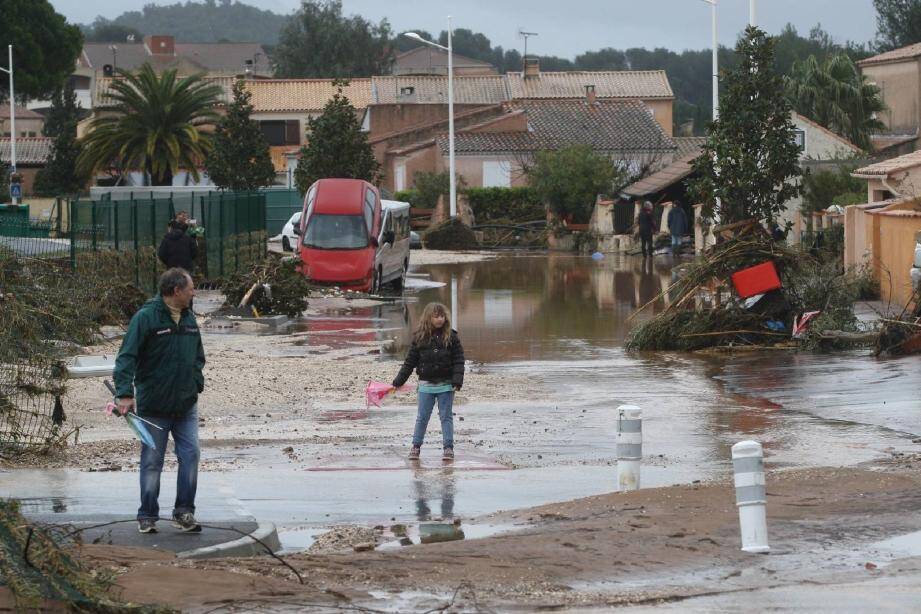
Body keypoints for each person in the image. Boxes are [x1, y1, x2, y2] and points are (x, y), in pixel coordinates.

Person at [113, 268, 206, 534]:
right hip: (154, 406)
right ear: (176, 291)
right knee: (152, 461)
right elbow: (126, 357)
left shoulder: (188, 318)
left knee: (191, 456)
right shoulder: (146, 318)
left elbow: (198, 355)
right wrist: (125, 393)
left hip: (186, 403)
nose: (193, 292)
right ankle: (147, 515)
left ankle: (184, 512)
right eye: (190, 288)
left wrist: (195, 382)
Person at [393, 302, 465, 461]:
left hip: (446, 385)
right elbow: (410, 362)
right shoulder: (419, 338)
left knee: (446, 417)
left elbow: (459, 360)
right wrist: (398, 381)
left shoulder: (452, 337)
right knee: (422, 417)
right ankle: (416, 446)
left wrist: (457, 380)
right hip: (425, 386)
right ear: (428, 318)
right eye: (436, 316)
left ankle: (448, 447)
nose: (440, 319)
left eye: (442, 316)